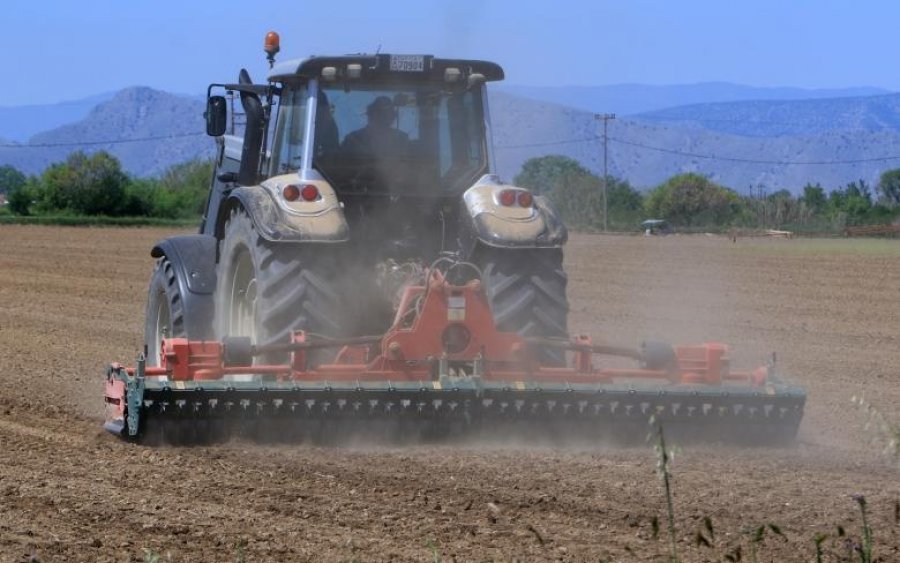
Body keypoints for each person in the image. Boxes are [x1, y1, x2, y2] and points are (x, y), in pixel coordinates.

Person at [341, 96, 410, 163]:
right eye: (378, 114)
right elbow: (340, 167)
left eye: (385, 115)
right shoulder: (352, 140)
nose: (380, 118)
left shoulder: (402, 139)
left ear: (392, 117)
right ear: (370, 115)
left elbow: (411, 166)